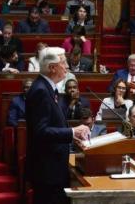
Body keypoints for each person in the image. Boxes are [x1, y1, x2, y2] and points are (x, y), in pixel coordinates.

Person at [25, 49, 90, 204]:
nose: (66, 66)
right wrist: (71, 131)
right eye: (63, 63)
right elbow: (41, 131)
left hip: (53, 168)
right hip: (47, 170)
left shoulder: (48, 87)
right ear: (52, 68)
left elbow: (53, 123)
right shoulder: (40, 90)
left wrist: (72, 135)